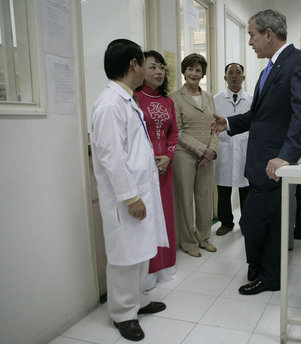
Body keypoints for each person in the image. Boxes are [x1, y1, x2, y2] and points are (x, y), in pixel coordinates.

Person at [211, 9, 301, 295]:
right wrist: (229, 122)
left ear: (268, 34)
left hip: (275, 162)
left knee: (257, 221)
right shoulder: (267, 70)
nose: (250, 42)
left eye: (252, 34)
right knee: (263, 223)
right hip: (259, 162)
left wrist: (286, 155)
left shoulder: (300, 62)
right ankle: (265, 270)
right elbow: (259, 117)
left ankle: (267, 273)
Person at [90, 39, 168, 341]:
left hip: (140, 190)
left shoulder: (127, 98)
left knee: (140, 251)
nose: (148, 71)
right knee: (125, 255)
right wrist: (131, 197)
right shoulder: (110, 104)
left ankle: (137, 300)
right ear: (134, 64)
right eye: (144, 64)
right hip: (127, 197)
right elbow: (112, 157)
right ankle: (123, 313)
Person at [135, 50, 178, 290]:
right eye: (152, 67)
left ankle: (166, 267)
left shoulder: (168, 101)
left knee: (166, 217)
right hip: (145, 168)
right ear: (140, 70)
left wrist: (168, 157)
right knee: (149, 220)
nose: (159, 71)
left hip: (165, 167)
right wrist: (152, 159)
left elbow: (174, 133)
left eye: (161, 67)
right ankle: (149, 272)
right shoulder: (134, 99)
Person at [170, 53, 218, 257]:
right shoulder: (175, 98)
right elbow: (177, 131)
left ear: (203, 74)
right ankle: (188, 241)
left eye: (198, 70)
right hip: (185, 155)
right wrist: (201, 150)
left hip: (207, 155)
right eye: (190, 69)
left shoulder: (208, 97)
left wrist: (212, 151)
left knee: (204, 197)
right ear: (184, 71)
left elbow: (215, 127)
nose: (194, 73)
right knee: (185, 199)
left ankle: (204, 238)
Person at [213, 63, 252, 236]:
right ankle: (226, 222)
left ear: (243, 77)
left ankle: (246, 223)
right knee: (223, 190)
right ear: (225, 77)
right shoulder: (216, 100)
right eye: (231, 73)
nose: (234, 76)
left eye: (238, 73)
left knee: (246, 190)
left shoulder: (252, 100)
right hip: (224, 148)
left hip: (245, 150)